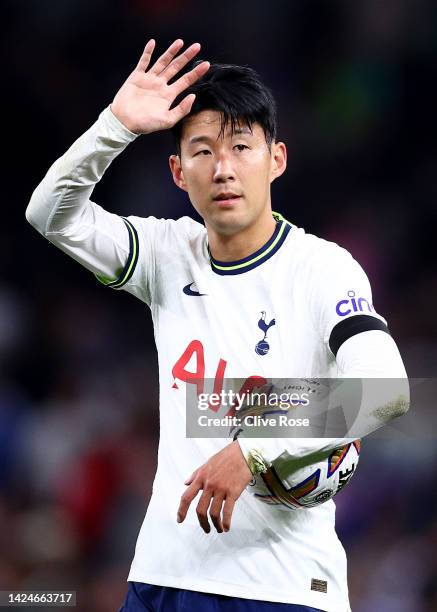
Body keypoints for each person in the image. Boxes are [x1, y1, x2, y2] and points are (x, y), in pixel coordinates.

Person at [26, 39, 408, 612]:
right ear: (178, 173)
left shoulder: (321, 268)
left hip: (281, 588)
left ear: (276, 158)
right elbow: (50, 212)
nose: (223, 168)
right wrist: (116, 127)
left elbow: (384, 389)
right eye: (202, 151)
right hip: (163, 576)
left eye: (240, 146)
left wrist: (254, 448)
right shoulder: (165, 253)